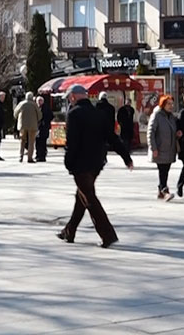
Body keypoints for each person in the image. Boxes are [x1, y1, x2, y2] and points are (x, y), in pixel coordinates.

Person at [57, 84, 133, 248]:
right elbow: (112, 137)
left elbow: (72, 141)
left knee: (89, 199)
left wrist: (68, 162)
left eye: (69, 98)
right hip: (97, 163)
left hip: (80, 164)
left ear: (73, 97)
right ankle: (68, 232)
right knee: (82, 197)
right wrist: (126, 157)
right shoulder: (98, 113)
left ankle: (108, 235)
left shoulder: (74, 114)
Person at [148, 95, 179, 201]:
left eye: (172, 104)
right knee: (163, 170)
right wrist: (153, 148)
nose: (171, 106)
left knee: (166, 170)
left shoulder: (171, 117)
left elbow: (173, 129)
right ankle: (164, 190)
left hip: (169, 149)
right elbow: (150, 132)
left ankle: (161, 191)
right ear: (163, 104)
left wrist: (177, 133)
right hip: (160, 148)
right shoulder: (157, 115)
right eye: (168, 104)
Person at [14, 92, 41, 163]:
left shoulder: (21, 104)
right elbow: (40, 115)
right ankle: (30, 158)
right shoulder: (34, 105)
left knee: (22, 141)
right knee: (31, 142)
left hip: (22, 125)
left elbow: (15, 113)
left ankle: (21, 156)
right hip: (32, 125)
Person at [36, 95, 53, 163]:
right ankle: (38, 155)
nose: (39, 102)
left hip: (44, 128)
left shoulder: (46, 108)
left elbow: (51, 116)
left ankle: (42, 156)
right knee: (37, 142)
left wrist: (45, 122)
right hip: (37, 128)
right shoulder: (36, 108)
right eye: (38, 101)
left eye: (40, 101)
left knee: (42, 142)